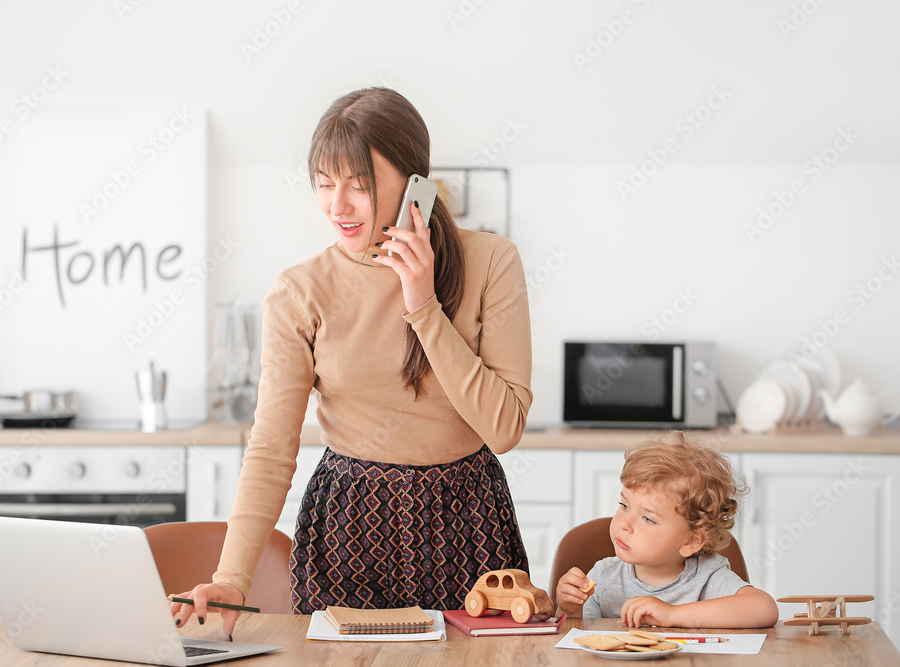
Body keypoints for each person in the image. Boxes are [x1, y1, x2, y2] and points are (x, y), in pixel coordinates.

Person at [171, 87, 533, 639]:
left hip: (469, 519)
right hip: (349, 529)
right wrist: (231, 578)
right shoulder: (300, 291)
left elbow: (504, 429)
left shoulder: (491, 262)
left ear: (416, 184)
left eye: (359, 186)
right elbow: (271, 446)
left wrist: (424, 308)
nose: (337, 206)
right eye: (323, 183)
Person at [555, 433, 779, 628]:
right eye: (624, 506)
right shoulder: (603, 577)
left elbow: (764, 608)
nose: (625, 524)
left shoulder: (707, 577)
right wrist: (570, 610)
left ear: (691, 541)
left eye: (648, 519)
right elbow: (579, 638)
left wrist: (673, 615)